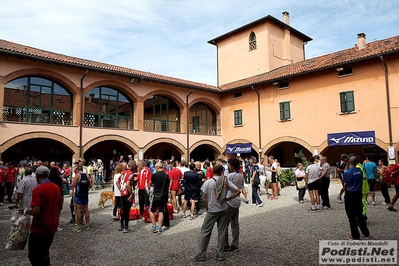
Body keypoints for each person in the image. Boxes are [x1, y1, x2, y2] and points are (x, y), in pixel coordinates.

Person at [192, 164, 241, 262]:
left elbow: (204, 198)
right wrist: (228, 198)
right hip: (223, 209)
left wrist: (207, 207)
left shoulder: (208, 182)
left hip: (212, 210)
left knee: (205, 231)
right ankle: (220, 254)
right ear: (221, 172)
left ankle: (201, 255)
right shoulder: (225, 181)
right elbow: (238, 191)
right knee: (222, 232)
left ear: (212, 171)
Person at [23, 166, 63, 266]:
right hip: (53, 224)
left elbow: (36, 211)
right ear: (47, 175)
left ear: (37, 176)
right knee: (45, 252)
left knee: (33, 255)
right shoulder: (56, 187)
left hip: (40, 226)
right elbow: (60, 206)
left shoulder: (37, 190)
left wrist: (25, 211)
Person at [341, 156, 370, 240]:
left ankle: (355, 235)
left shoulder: (347, 172)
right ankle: (366, 233)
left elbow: (344, 184)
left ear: (349, 162)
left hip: (350, 193)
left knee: (351, 216)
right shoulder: (360, 171)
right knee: (359, 214)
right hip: (358, 193)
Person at [224, 157, 244, 252]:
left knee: (224, 224)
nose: (228, 166)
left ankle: (225, 244)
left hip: (230, 202)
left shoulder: (230, 176)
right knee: (235, 224)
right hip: (237, 202)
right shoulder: (240, 175)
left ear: (232, 166)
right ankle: (235, 244)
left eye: (229, 165)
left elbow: (225, 186)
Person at [149, 162, 170, 235]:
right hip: (163, 195)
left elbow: (151, 183)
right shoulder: (166, 176)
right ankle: (159, 227)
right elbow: (168, 183)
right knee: (161, 211)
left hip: (155, 194)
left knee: (151, 210)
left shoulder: (154, 175)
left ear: (157, 167)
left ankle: (154, 225)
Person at [116, 161, 134, 233]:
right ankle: (126, 227)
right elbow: (128, 183)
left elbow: (117, 181)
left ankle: (121, 225)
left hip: (122, 193)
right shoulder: (130, 173)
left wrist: (120, 189)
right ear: (132, 166)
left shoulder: (123, 172)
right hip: (127, 194)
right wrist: (131, 193)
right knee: (127, 211)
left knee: (123, 209)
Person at [72, 166, 91, 232]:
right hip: (85, 195)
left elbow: (74, 185)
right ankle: (87, 225)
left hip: (78, 195)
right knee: (86, 210)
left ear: (77, 170)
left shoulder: (77, 175)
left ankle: (79, 226)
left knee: (78, 211)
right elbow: (90, 185)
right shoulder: (86, 175)